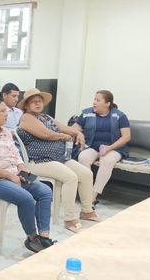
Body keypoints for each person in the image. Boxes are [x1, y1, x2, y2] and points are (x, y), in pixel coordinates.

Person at [0, 95, 55, 253]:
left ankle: (44, 237)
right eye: (2, 111)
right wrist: (10, 176)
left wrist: (22, 168)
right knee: (26, 198)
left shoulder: (6, 132)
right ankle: (32, 239)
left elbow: (15, 154)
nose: (6, 114)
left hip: (12, 176)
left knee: (45, 191)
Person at [17, 88, 101, 233]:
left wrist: (77, 133)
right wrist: (63, 136)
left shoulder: (46, 117)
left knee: (86, 174)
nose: (37, 104)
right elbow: (46, 134)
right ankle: (69, 219)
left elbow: (66, 128)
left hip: (58, 158)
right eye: (33, 102)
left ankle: (87, 211)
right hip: (38, 161)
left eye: (39, 101)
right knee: (71, 177)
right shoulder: (26, 118)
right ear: (26, 105)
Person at [73, 90, 131, 204]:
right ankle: (87, 191)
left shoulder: (120, 116)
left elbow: (126, 137)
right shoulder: (86, 113)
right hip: (92, 147)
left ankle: (93, 196)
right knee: (83, 157)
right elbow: (74, 129)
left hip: (113, 148)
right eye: (94, 99)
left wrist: (109, 148)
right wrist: (79, 133)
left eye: (98, 100)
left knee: (107, 160)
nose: (94, 102)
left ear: (107, 103)